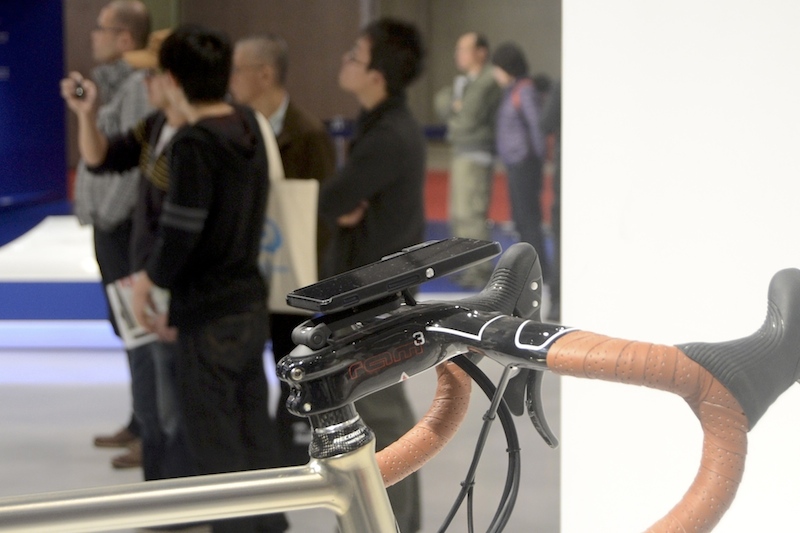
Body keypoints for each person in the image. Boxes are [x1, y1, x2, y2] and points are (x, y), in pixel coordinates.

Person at [130, 25, 288, 533]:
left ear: (173, 79)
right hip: (248, 300)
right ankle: (270, 524)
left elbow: (181, 232)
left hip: (208, 309)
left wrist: (149, 281)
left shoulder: (194, 144)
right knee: (252, 425)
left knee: (214, 439)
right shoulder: (247, 125)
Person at [61, 28, 197, 488]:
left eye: (154, 74)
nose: (146, 82)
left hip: (162, 278)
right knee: (151, 365)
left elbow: (178, 223)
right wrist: (86, 114)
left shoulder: (197, 139)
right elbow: (104, 157)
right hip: (145, 268)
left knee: (171, 386)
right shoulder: (156, 125)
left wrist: (148, 274)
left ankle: (176, 487)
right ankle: (153, 460)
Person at [317, 18, 426, 533]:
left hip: (374, 302)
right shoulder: (381, 126)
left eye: (354, 56)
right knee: (377, 412)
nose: (345, 62)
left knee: (381, 417)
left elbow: (334, 199)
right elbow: (340, 201)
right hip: (371, 296)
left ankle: (390, 524)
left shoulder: (387, 136)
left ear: (377, 75)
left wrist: (341, 205)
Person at [228, 33, 336, 466]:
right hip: (249, 272)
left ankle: (292, 452)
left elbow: (320, 216)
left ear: (264, 74)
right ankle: (261, 450)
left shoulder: (307, 134)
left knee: (292, 365)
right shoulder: (237, 129)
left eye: (237, 69)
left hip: (292, 278)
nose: (230, 79)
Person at [70, 0, 152, 469]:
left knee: (138, 327)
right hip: (113, 227)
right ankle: (141, 421)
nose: (93, 36)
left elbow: (130, 166)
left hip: (124, 228)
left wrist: (109, 214)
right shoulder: (114, 86)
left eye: (101, 29)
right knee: (127, 326)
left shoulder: (138, 87)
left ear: (124, 37)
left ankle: (150, 430)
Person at [434, 32, 502, 289]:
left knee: (471, 214)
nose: (458, 55)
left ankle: (480, 271)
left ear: (481, 52)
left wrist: (457, 114)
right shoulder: (466, 82)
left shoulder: (487, 81)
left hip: (476, 156)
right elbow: (442, 103)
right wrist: (456, 110)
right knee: (458, 215)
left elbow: (467, 121)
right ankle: (467, 267)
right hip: (463, 153)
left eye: (463, 49)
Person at [491, 42, 548, 298]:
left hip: (525, 164)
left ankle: (540, 270)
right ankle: (531, 268)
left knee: (528, 219)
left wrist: (537, 160)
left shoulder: (524, 91)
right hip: (517, 163)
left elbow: (536, 126)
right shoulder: (513, 90)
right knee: (521, 219)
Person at [539, 79, 561, 321]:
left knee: (561, 237)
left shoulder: (563, 85)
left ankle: (558, 301)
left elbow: (545, 123)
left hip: (567, 174)